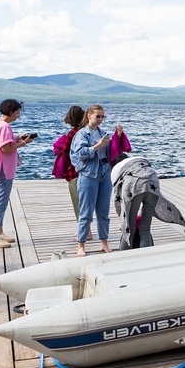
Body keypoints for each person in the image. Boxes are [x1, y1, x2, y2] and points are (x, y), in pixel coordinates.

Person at [0, 99, 32, 249]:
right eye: (17, 113)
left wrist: (16, 140)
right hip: (3, 169)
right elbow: (5, 149)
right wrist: (23, 143)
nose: (18, 116)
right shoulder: (5, 127)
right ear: (11, 112)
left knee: (2, 202)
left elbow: (3, 144)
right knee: (0, 203)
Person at [69, 105, 113, 257]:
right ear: (89, 116)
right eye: (98, 116)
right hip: (88, 175)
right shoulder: (82, 134)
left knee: (103, 211)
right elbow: (79, 154)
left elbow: (112, 152)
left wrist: (117, 138)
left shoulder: (103, 133)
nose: (100, 119)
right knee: (86, 212)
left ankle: (104, 242)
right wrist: (97, 146)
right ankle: (81, 244)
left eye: (102, 117)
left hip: (104, 173)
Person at [52, 106, 87, 239]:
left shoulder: (72, 134)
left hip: (74, 173)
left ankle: (85, 231)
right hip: (88, 172)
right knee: (87, 202)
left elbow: (66, 154)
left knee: (78, 202)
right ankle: (86, 229)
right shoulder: (88, 132)